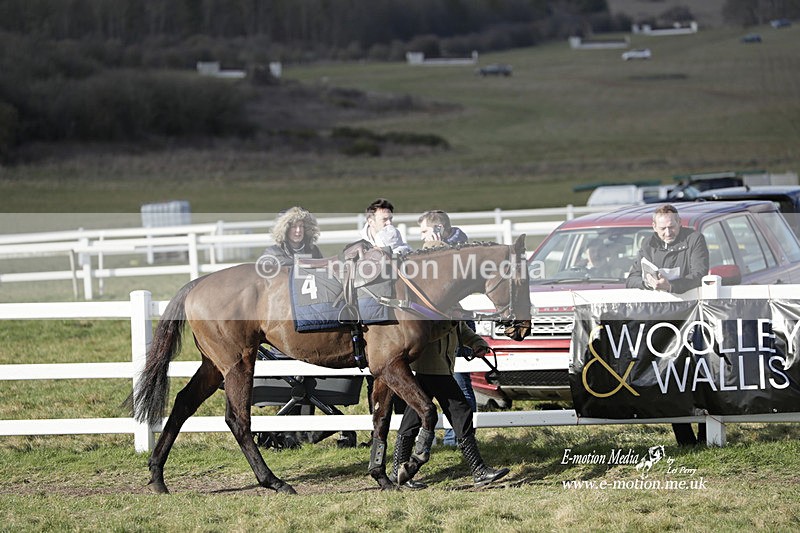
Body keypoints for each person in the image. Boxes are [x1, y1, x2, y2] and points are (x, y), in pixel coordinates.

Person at [390, 318, 510, 490]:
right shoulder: (428, 305)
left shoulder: (450, 303)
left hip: (441, 365)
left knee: (414, 416)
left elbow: (461, 328)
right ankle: (478, 470)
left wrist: (476, 343)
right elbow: (424, 334)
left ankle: (398, 470)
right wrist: (451, 322)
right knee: (461, 412)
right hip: (433, 366)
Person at [626, 203, 710, 446]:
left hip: (695, 319)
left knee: (701, 375)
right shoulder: (647, 245)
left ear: (679, 223)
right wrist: (647, 283)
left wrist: (671, 286)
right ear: (654, 227)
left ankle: (707, 436)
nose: (667, 232)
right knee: (670, 376)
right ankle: (684, 439)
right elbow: (630, 279)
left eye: (671, 227)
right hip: (663, 324)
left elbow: (700, 274)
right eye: (662, 228)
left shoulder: (695, 239)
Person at [418, 209, 477, 447]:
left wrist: (432, 247)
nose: (422, 238)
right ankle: (445, 437)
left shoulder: (454, 253)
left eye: (424, 232)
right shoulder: (453, 251)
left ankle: (457, 438)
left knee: (459, 383)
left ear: (437, 230)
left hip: (453, 327)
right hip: (445, 326)